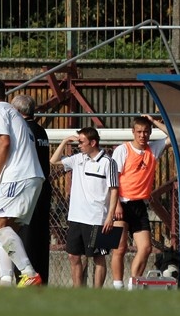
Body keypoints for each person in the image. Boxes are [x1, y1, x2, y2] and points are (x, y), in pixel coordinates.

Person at [0, 78, 44, 287]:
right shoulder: (13, 112)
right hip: (33, 176)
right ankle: (6, 280)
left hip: (17, 176)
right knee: (8, 231)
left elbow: (4, 141)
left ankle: (29, 273)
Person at [50, 127, 119, 288]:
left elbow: (114, 190)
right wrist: (65, 141)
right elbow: (53, 162)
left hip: (97, 218)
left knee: (98, 257)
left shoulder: (108, 162)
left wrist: (110, 216)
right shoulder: (78, 159)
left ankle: (96, 293)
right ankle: (78, 291)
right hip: (76, 217)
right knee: (73, 256)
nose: (78, 145)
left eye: (82, 142)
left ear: (93, 142)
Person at [111, 114, 171, 290]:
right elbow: (112, 179)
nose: (142, 135)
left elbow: (176, 135)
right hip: (120, 202)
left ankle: (133, 284)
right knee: (119, 249)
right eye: (139, 132)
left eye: (146, 132)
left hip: (139, 205)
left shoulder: (154, 149)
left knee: (145, 248)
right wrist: (116, 205)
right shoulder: (122, 150)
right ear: (133, 132)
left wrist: (153, 120)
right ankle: (117, 286)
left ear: (150, 132)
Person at [11, 94, 51, 285]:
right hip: (44, 189)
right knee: (41, 237)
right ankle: (42, 277)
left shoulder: (23, 131)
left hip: (27, 189)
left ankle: (25, 277)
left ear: (18, 112)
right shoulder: (42, 131)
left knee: (21, 234)